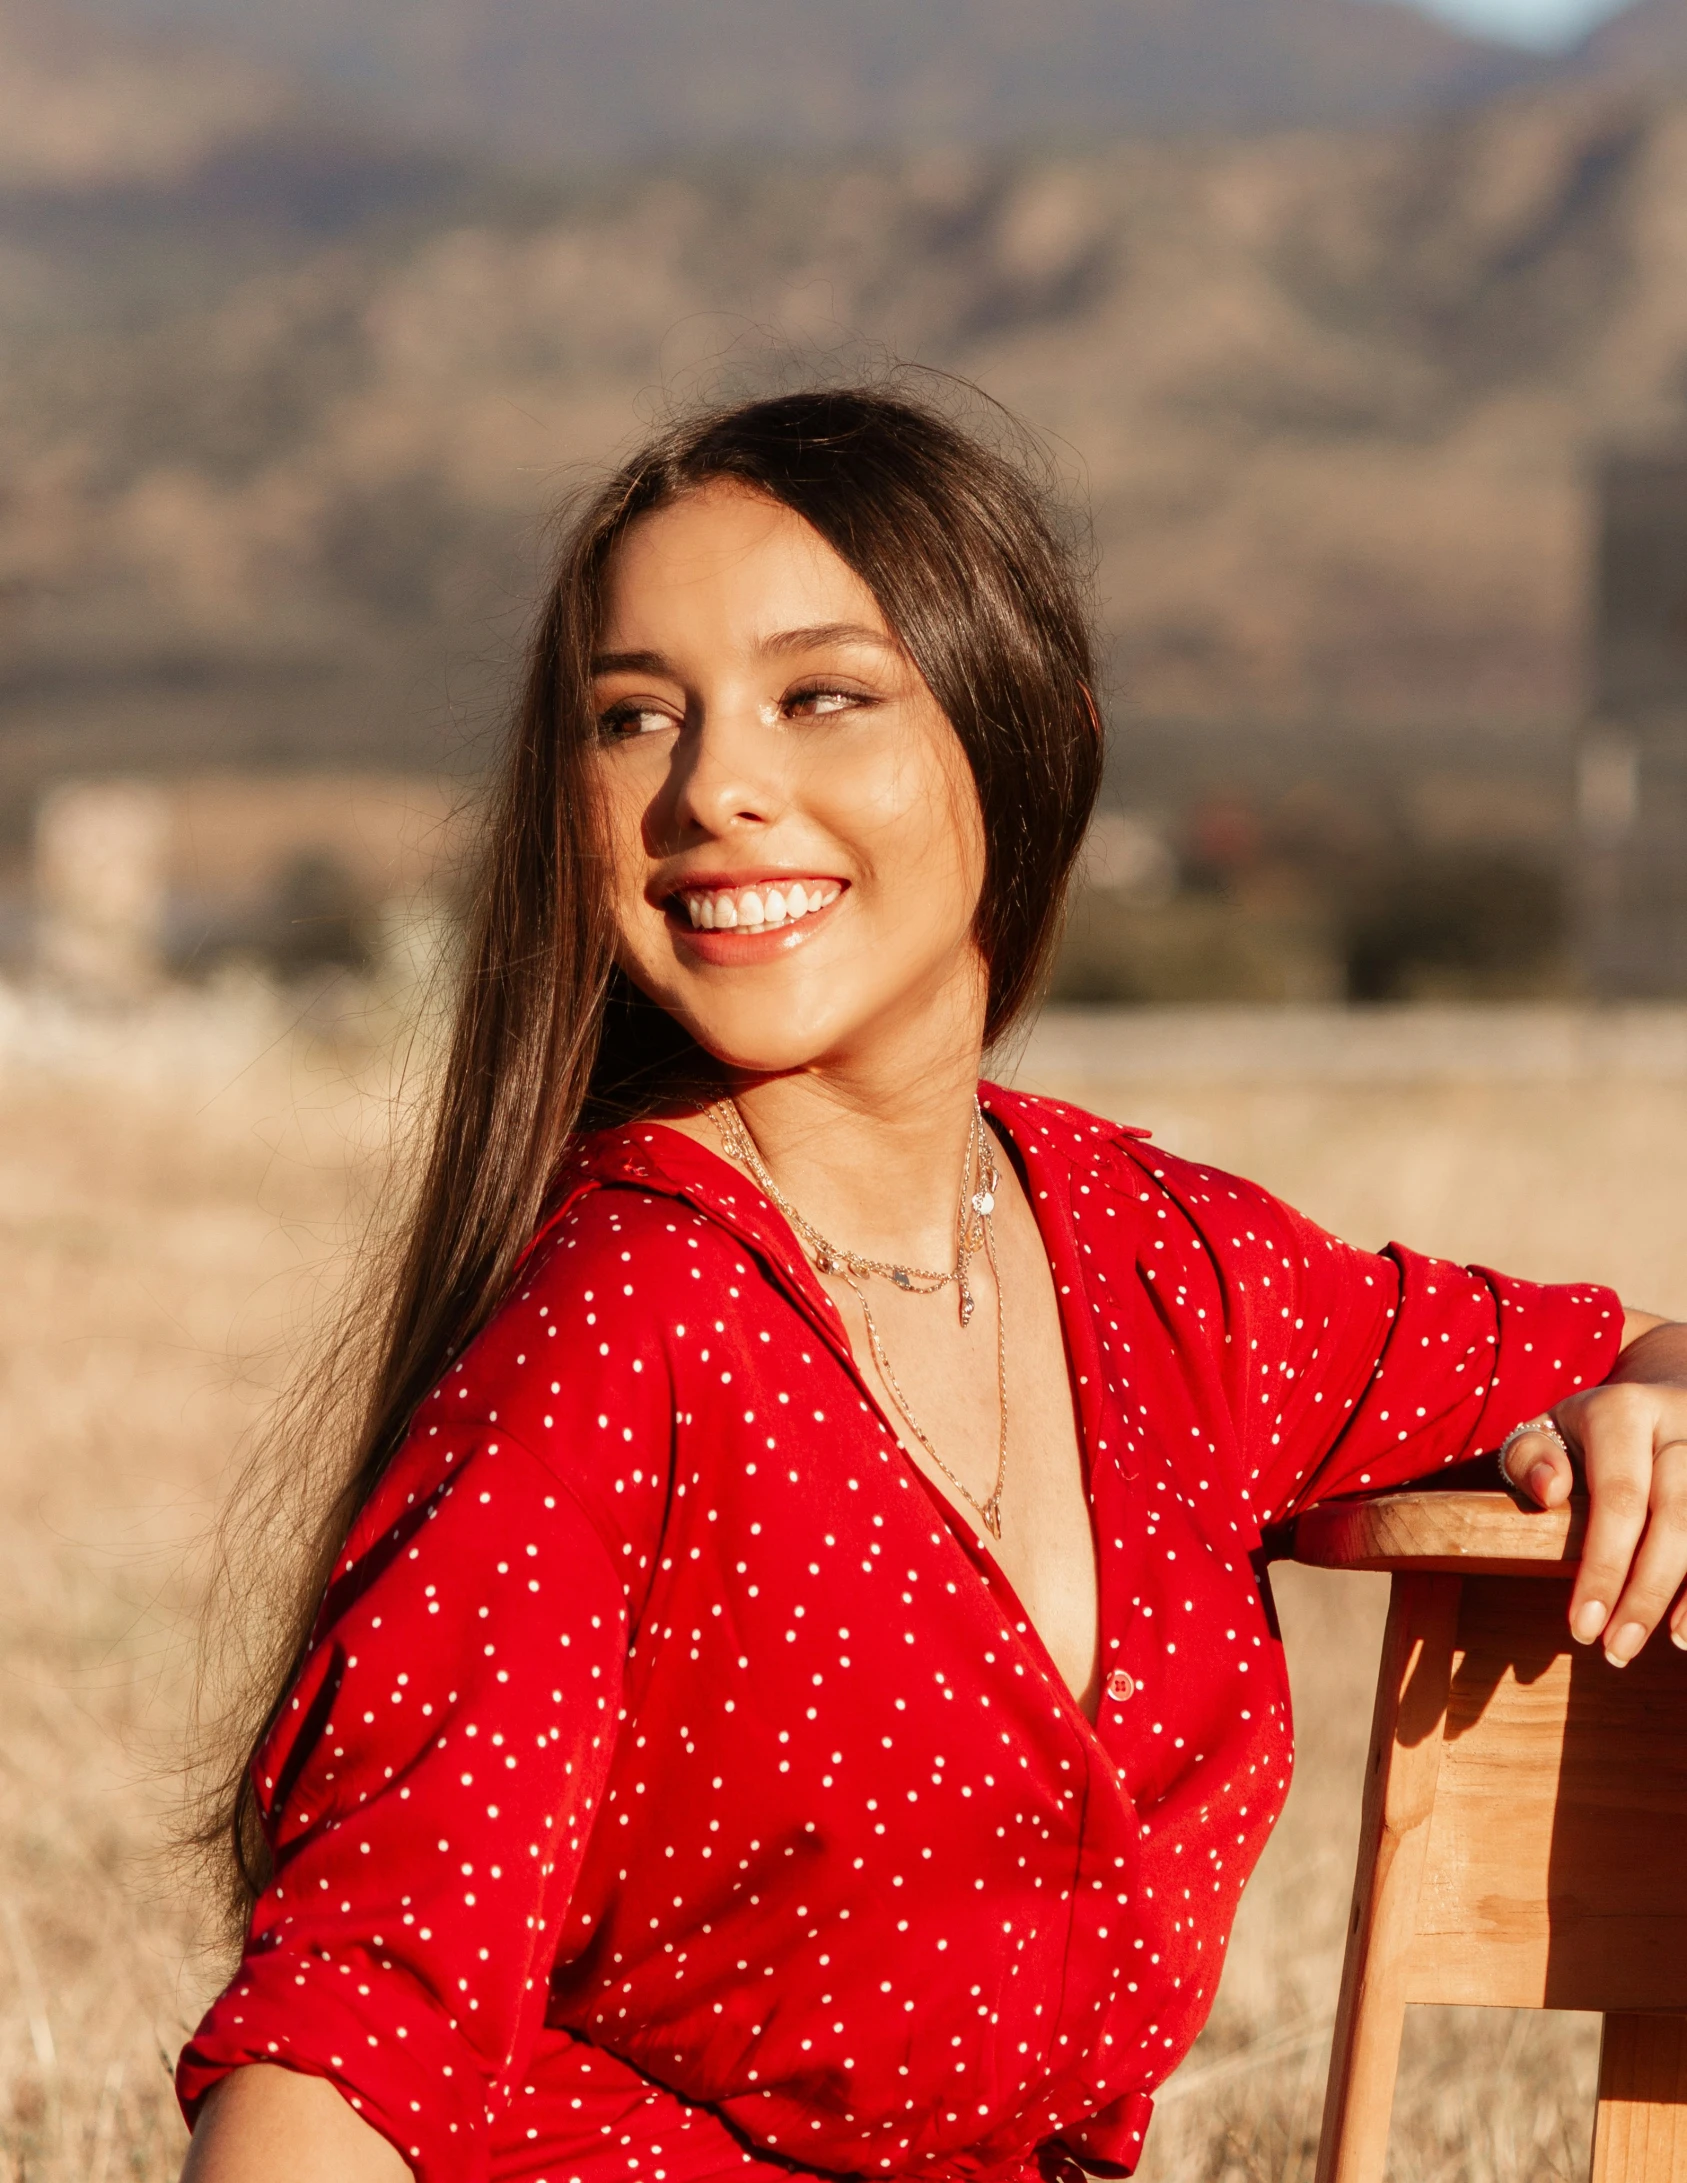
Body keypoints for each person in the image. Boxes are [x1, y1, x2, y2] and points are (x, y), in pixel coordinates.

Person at [177, 386, 1687, 2183]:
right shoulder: (618, 1330)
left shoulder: (1158, 1267)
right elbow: (357, 2023)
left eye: (818, 693)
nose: (710, 786)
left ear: (1032, 740)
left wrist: (1644, 1421)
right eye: (631, 715)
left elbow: (1612, 1343)